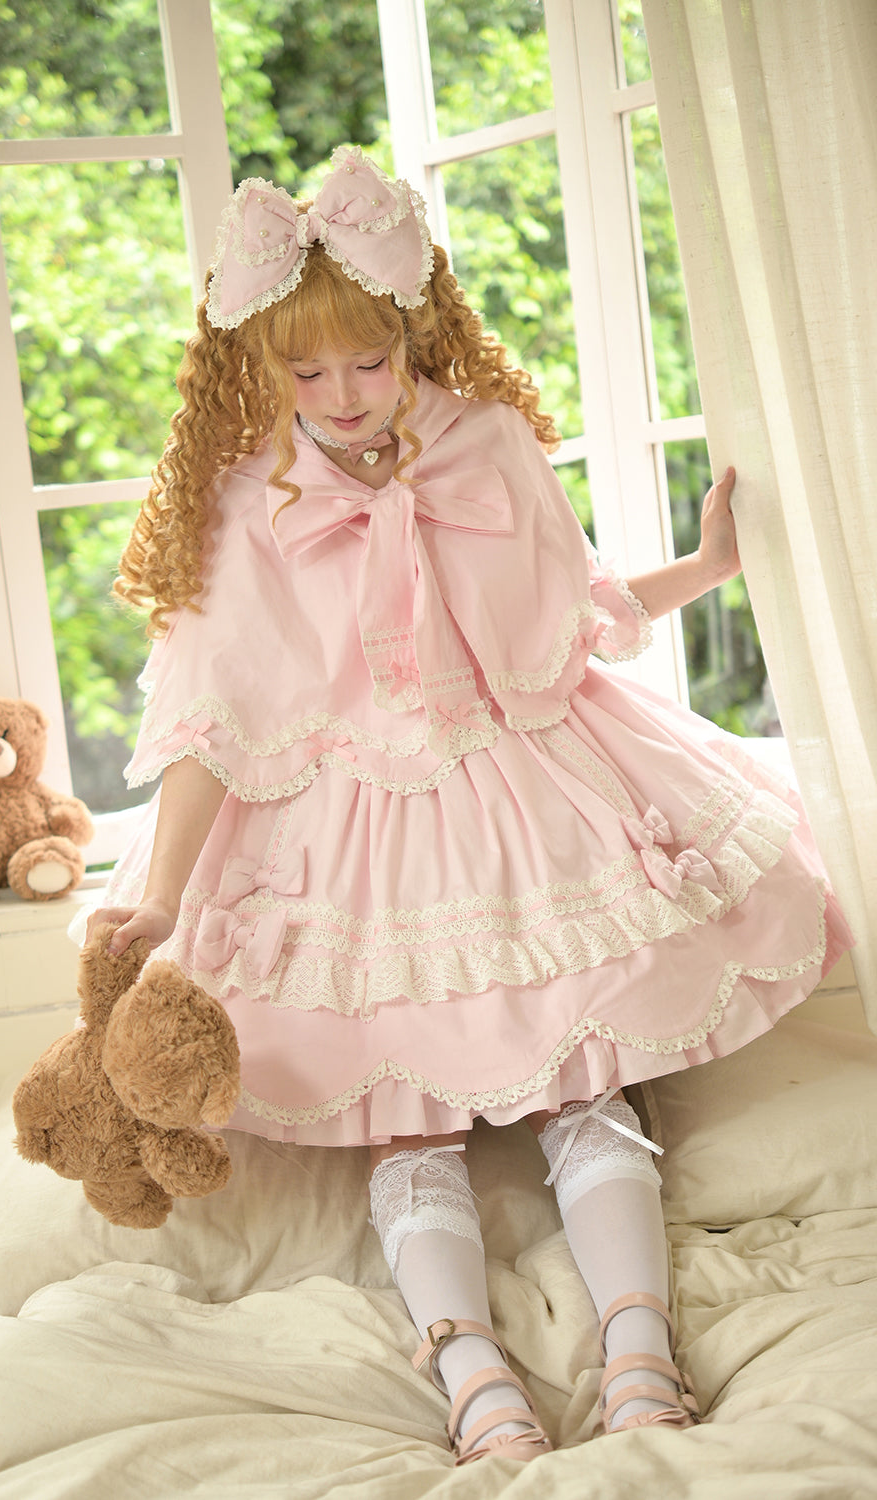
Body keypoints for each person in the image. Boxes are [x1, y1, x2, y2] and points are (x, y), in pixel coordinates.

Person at [84, 145, 852, 1464]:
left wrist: (707, 569)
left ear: (413, 330)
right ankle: (469, 1369)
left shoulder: (485, 442)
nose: (342, 397)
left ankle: (641, 1351)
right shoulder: (247, 498)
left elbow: (574, 616)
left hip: (521, 791)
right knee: (405, 1120)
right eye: (305, 373)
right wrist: (161, 898)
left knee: (588, 1086)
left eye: (367, 361)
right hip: (343, 829)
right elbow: (218, 717)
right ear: (260, 365)